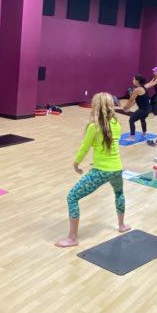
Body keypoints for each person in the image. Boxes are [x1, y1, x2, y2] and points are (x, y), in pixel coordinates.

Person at [55, 92, 129, 247]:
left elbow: (84, 148)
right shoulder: (116, 124)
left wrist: (76, 164)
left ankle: (73, 238)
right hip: (117, 168)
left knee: (72, 197)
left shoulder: (93, 127)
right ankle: (122, 225)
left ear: (95, 107)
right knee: (119, 193)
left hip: (101, 171)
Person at [116, 74, 151, 140]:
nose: (132, 81)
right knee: (142, 119)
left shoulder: (137, 90)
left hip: (143, 109)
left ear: (137, 81)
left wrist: (125, 107)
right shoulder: (143, 88)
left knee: (131, 120)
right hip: (147, 108)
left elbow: (131, 100)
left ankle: (132, 137)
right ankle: (144, 133)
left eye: (134, 79)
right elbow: (135, 101)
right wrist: (128, 107)